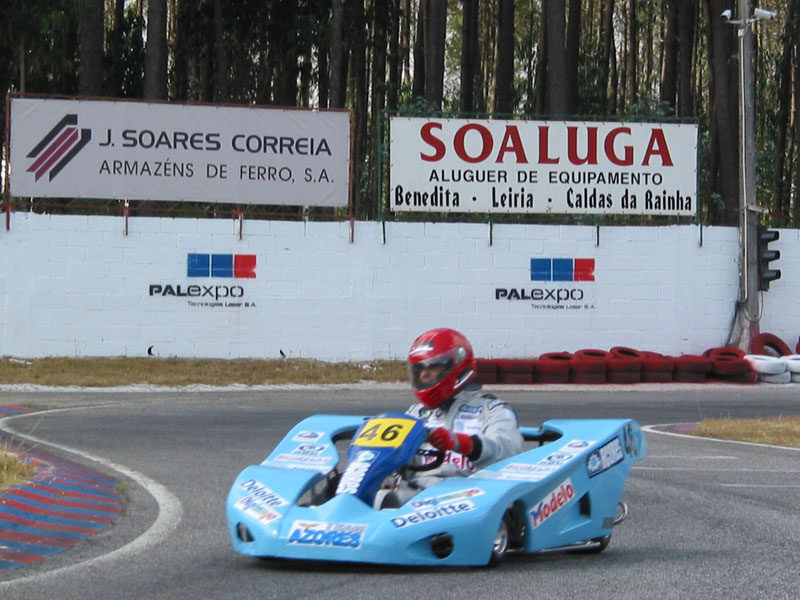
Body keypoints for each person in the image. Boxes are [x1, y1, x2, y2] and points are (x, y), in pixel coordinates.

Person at [383, 327, 524, 505]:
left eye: (432, 366)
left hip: (471, 497)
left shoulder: (492, 409)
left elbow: (508, 448)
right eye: (419, 369)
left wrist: (460, 443)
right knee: (374, 500)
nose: (424, 374)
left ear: (456, 367)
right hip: (416, 496)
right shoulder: (415, 414)